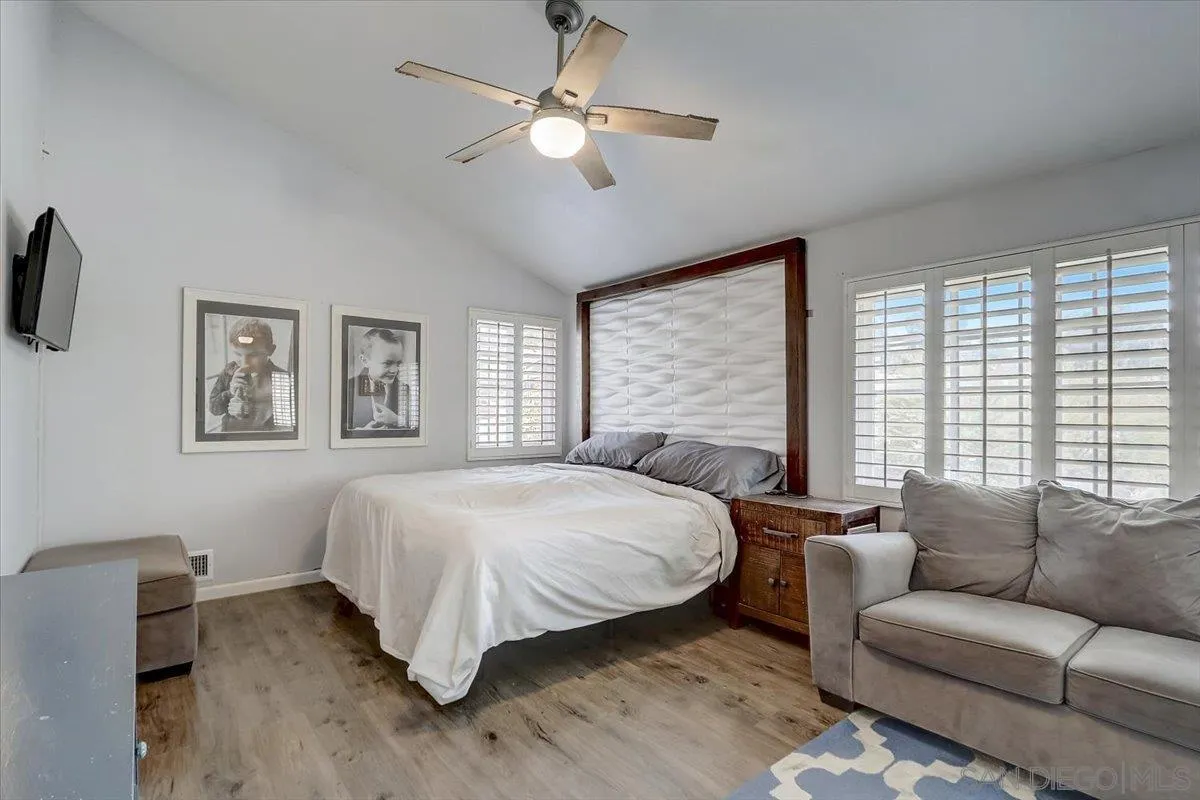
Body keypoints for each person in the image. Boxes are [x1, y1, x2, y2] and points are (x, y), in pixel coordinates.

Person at [208, 318, 290, 432]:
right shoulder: (228, 372)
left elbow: (286, 423)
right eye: (237, 354)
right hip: (231, 435)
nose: (244, 362)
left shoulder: (282, 378)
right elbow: (214, 409)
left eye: (254, 355)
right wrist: (230, 393)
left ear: (270, 350)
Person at [347, 328, 412, 430]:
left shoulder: (407, 391)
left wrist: (398, 420)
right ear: (365, 361)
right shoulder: (347, 389)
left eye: (398, 363)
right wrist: (360, 433)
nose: (395, 370)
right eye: (387, 363)